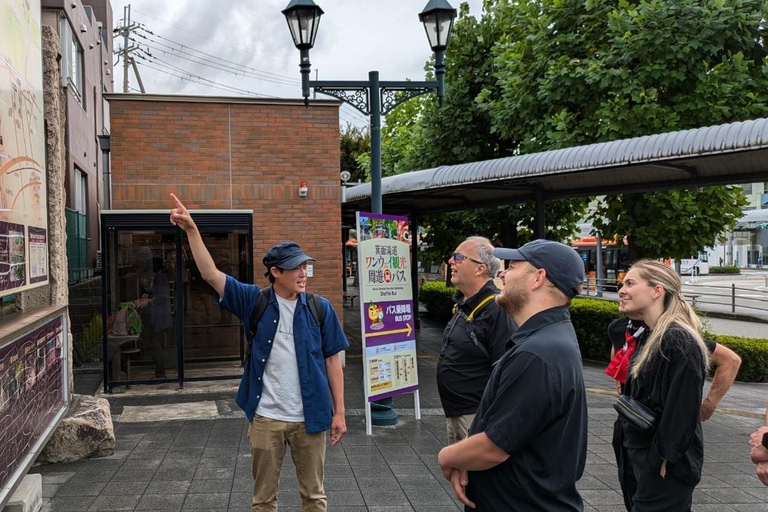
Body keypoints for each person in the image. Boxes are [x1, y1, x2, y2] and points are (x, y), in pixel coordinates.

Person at [169, 193, 348, 512]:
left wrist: (340, 412)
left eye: (305, 266)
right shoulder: (255, 301)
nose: (303, 273)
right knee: (263, 500)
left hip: (311, 417)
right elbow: (211, 275)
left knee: (314, 497)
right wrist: (193, 230)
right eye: (296, 268)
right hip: (267, 417)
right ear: (276, 272)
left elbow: (333, 360)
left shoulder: (321, 309)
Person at [438, 239, 587, 511]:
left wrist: (447, 456)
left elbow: (494, 446)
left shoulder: (537, 354)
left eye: (514, 266)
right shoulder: (548, 337)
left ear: (538, 278)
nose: (502, 274)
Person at [613, 259, 711, 511]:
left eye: (630, 283)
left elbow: (682, 410)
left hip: (663, 466)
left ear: (657, 291)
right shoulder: (650, 334)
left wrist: (661, 459)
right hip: (643, 456)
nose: (621, 290)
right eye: (622, 283)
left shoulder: (677, 340)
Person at [436, 236, 516, 443]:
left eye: (458, 257)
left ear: (480, 268)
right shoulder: (465, 303)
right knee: (460, 474)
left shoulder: (496, 310)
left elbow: (506, 369)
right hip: (457, 411)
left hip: (477, 416)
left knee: (477, 475)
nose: (450, 261)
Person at [605, 316, 741, 420]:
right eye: (621, 286)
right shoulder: (617, 327)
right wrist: (619, 382)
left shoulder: (669, 334)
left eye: (630, 284)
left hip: (665, 421)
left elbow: (731, 360)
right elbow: (618, 350)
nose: (622, 291)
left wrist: (709, 405)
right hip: (629, 415)